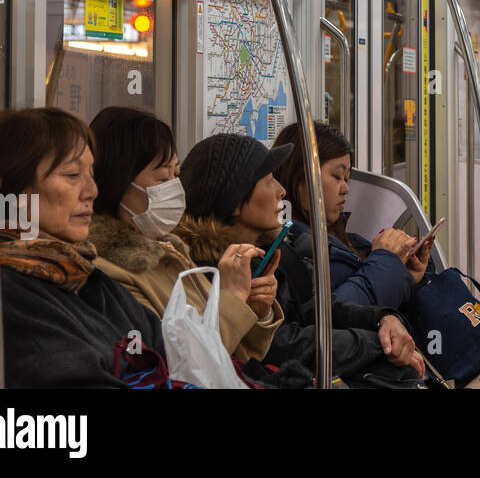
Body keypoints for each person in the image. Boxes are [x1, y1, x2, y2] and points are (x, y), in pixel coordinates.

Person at [0, 108, 172, 387]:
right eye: (72, 174)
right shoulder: (2, 293)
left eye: (91, 173)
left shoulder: (84, 277)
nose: (91, 190)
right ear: (16, 187)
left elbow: (177, 353)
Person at [175, 133, 425, 386]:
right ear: (236, 202)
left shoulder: (274, 247)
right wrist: (375, 343)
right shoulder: (216, 271)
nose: (280, 191)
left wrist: (381, 318)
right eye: (269, 180)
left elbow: (318, 307)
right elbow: (279, 345)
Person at [88, 106, 282, 364]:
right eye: (161, 179)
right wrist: (233, 298)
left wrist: (257, 311)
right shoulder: (112, 274)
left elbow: (239, 357)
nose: (174, 189)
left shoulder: (174, 250)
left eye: (176, 174)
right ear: (119, 182)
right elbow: (183, 366)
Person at [271, 121, 433, 310]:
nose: (346, 189)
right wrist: (385, 259)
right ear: (301, 176)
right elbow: (336, 315)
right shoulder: (293, 249)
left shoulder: (343, 238)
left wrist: (406, 274)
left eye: (347, 179)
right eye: (337, 177)